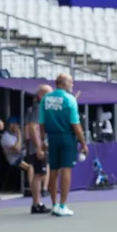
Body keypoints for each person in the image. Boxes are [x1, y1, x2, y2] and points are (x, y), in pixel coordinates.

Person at [41, 73, 88, 217]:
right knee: (66, 171)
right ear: (63, 83)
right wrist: (83, 143)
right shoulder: (70, 99)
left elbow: (42, 122)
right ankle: (62, 205)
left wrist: (44, 140)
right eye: (70, 82)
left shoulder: (46, 98)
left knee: (53, 171)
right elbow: (75, 124)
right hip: (66, 138)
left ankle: (54, 204)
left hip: (52, 138)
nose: (72, 85)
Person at [25, 86, 52, 214]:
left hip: (39, 145)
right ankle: (36, 203)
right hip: (38, 147)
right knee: (39, 174)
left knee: (40, 173)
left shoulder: (38, 108)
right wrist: (39, 147)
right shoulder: (38, 108)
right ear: (42, 95)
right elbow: (33, 127)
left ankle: (37, 202)